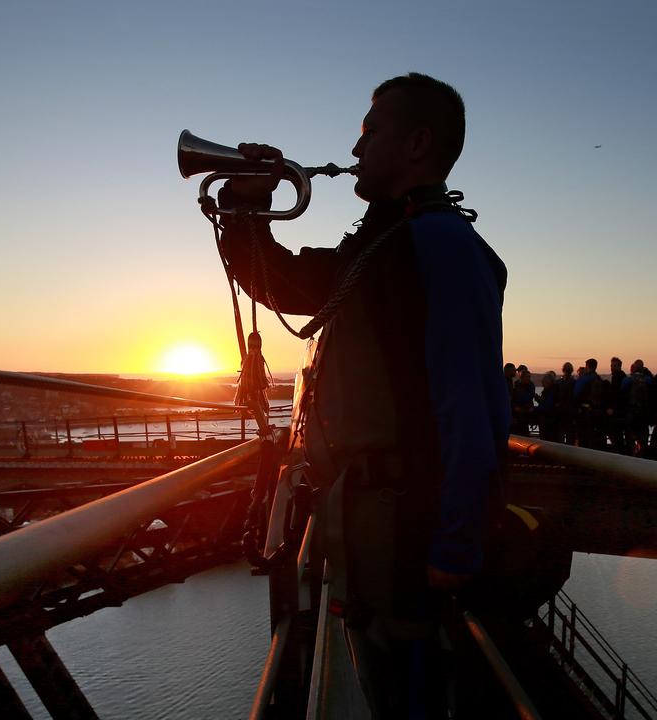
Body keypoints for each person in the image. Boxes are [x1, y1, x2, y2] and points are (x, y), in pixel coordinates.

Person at [215, 73, 508, 717]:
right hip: (371, 519)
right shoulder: (382, 242)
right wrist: (242, 214)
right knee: (381, 672)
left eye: (371, 130)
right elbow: (290, 285)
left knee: (407, 683)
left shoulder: (443, 247)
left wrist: (457, 544)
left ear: (417, 144)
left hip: (406, 523)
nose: (356, 145)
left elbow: (472, 405)